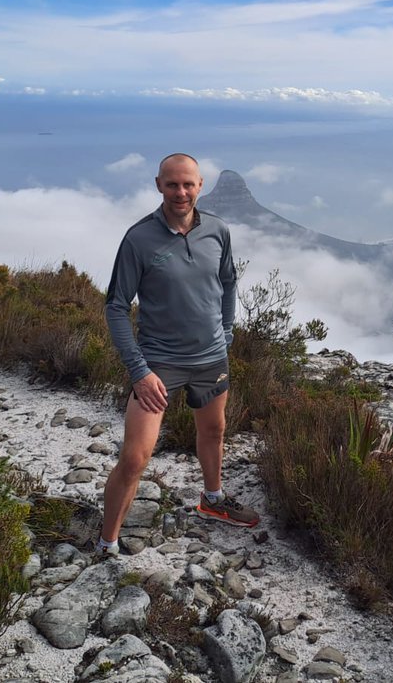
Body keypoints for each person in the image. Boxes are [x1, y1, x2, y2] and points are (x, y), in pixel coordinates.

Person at [96, 153, 258, 557]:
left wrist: (226, 333)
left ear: (200, 185)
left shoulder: (218, 230)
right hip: (159, 365)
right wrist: (139, 371)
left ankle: (213, 500)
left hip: (211, 359)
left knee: (214, 431)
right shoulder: (138, 239)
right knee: (135, 458)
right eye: (172, 184)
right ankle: (106, 544)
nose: (181, 192)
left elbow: (228, 282)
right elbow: (116, 306)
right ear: (158, 185)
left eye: (188, 184)